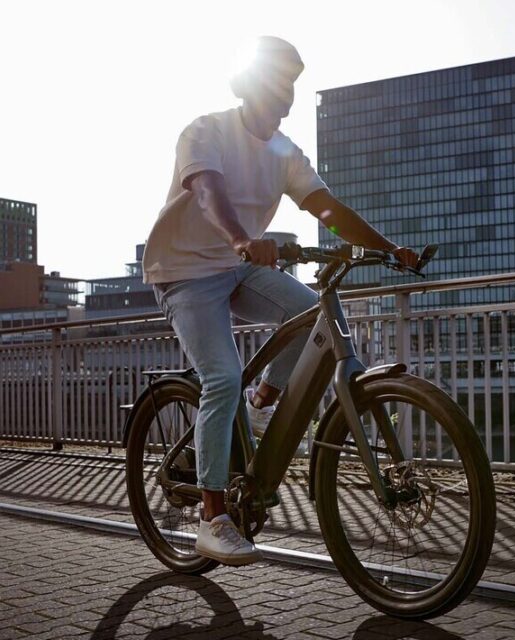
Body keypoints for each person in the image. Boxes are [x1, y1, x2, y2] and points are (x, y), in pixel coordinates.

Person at [142, 36, 418, 566]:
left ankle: (264, 394)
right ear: (247, 88)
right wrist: (242, 238)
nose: (284, 94)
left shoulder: (285, 153)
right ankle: (211, 517)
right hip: (185, 272)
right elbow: (208, 192)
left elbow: (328, 208)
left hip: (235, 265)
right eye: (274, 83)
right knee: (221, 376)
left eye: (290, 85)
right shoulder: (206, 132)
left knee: (309, 311)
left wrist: (389, 249)